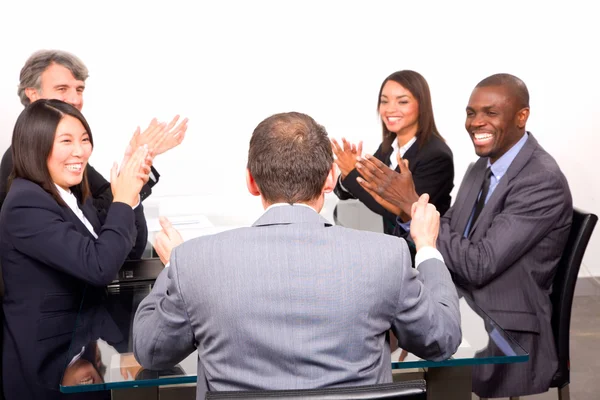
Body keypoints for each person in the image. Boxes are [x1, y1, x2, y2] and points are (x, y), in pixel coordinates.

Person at [132, 112, 461, 399]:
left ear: (251, 181)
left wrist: (174, 263)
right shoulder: (386, 256)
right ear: (331, 178)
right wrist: (427, 246)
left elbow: (151, 349)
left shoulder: (195, 261)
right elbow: (441, 340)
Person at [354, 73, 572, 398]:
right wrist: (413, 212)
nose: (476, 122)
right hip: (459, 297)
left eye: (490, 113)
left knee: (376, 354)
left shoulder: (541, 180)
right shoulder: (481, 167)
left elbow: (478, 264)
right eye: (471, 113)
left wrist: (411, 204)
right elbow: (450, 228)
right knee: (364, 318)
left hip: (502, 327)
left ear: (521, 116)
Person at [0, 99, 152, 399]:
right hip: (48, 367)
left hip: (85, 347)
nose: (81, 151)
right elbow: (98, 266)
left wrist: (130, 198)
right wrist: (121, 199)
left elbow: (129, 248)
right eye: (66, 141)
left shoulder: (69, 193)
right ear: (35, 146)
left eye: (84, 139)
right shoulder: (25, 203)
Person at [0, 49, 188, 212]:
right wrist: (131, 170)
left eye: (79, 89)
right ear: (33, 94)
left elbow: (102, 205)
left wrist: (137, 160)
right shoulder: (22, 161)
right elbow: (98, 218)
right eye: (62, 88)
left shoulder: (70, 152)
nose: (75, 99)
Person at [332, 70, 454, 235]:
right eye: (384, 101)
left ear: (422, 104)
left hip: (416, 249)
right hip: (388, 243)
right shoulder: (388, 148)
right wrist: (348, 174)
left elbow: (399, 212)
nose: (390, 109)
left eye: (402, 102)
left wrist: (353, 172)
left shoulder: (437, 156)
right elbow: (351, 195)